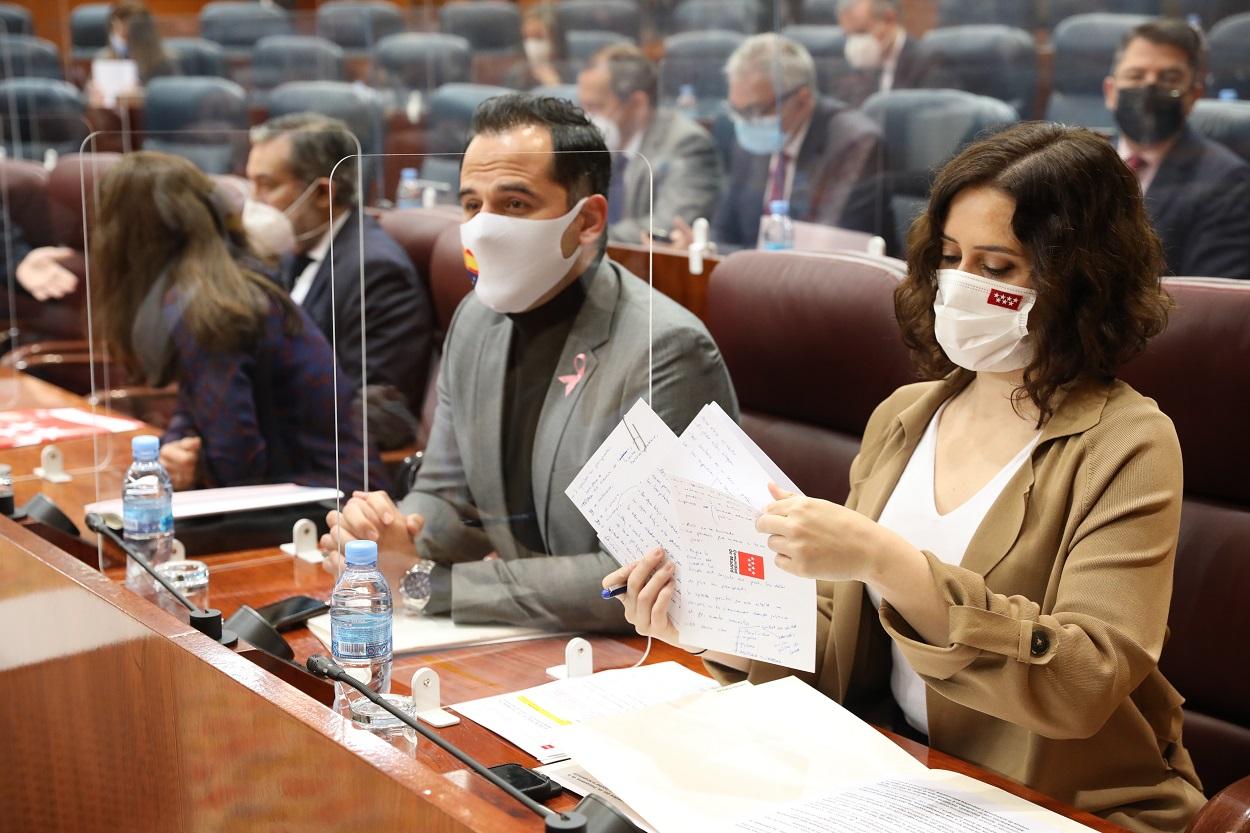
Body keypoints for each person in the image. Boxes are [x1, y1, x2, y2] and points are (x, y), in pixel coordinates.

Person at [608, 122, 1205, 833]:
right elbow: (842, 660)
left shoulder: (1129, 442)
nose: (961, 285)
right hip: (900, 777)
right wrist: (709, 626)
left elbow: (1084, 681)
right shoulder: (906, 415)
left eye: (999, 266)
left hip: (1058, 804)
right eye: (951, 257)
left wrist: (888, 560)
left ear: (1079, 278)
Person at [322, 93, 738, 632]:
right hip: (522, 638)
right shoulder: (474, 320)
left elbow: (642, 574)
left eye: (514, 204)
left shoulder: (666, 349)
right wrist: (392, 535)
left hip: (635, 655)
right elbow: (448, 495)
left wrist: (428, 584)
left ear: (587, 220)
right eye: (472, 205)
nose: (483, 227)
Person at [89, 151, 384, 492]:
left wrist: (195, 469)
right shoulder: (213, 285)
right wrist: (177, 447)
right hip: (294, 487)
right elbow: (196, 404)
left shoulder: (211, 307)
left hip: (322, 501)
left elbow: (238, 463)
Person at [247, 113, 435, 446]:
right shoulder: (288, 253)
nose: (254, 201)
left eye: (268, 185)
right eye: (251, 184)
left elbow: (374, 414)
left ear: (322, 193)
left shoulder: (375, 272)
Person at [670, 34, 885, 252]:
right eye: (736, 110)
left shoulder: (853, 142)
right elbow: (724, 229)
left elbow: (823, 250)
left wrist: (719, 252)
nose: (744, 122)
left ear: (802, 99)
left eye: (754, 110)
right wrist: (704, 247)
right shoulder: (751, 137)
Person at [1103, 18, 1250, 279]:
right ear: (1111, 92)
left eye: (1168, 79)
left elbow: (1211, 302)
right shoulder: (1081, 162)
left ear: (1193, 95)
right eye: (1136, 76)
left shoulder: (1228, 181)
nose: (1149, 87)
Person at [577, 44, 723, 244]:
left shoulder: (687, 144)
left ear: (638, 103)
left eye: (596, 107)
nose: (587, 118)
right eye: (583, 106)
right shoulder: (600, 143)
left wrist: (584, 236)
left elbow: (666, 225)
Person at [834, 0, 936, 107]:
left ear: (889, 19)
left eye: (861, 32)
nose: (855, 43)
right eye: (848, 35)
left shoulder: (928, 61)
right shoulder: (854, 68)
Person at [89, 0, 175, 105]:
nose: (120, 39)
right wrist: (93, 100)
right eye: (116, 30)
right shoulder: (103, 58)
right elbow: (87, 102)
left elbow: (174, 101)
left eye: (125, 34)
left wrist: (141, 97)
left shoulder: (164, 62)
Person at [505, 4, 573, 91]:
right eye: (526, 38)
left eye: (538, 37)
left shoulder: (573, 72)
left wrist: (555, 87)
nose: (531, 44)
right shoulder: (516, 73)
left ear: (555, 40)